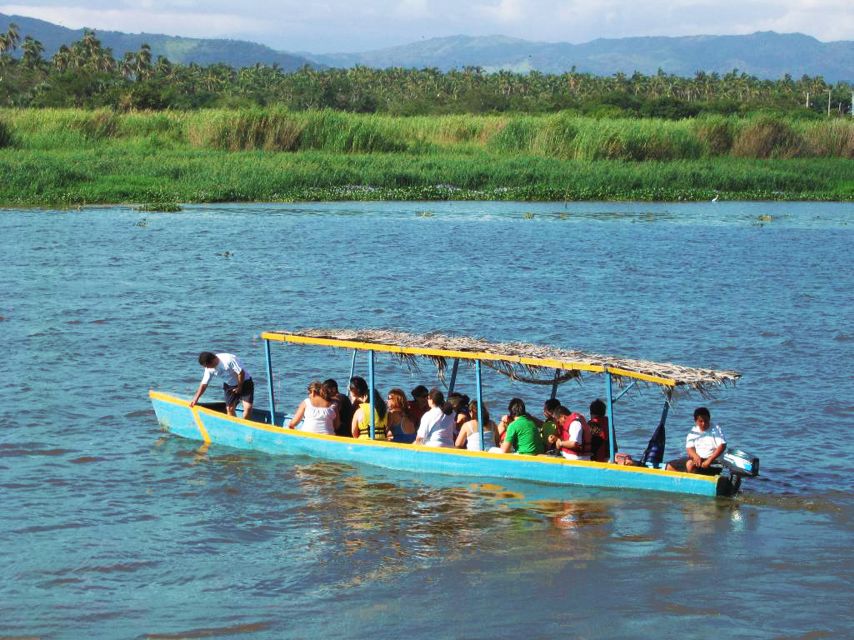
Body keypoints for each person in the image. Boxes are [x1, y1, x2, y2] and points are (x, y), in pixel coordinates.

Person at [190, 351, 253, 420]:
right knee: (229, 409)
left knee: (248, 407)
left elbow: (241, 373)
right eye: (205, 367)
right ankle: (234, 425)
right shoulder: (208, 368)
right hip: (229, 385)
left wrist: (239, 387)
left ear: (212, 361)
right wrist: (196, 398)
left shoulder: (228, 360)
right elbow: (204, 384)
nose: (207, 368)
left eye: (207, 366)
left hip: (244, 382)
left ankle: (244, 424)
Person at [666, 407, 726, 473]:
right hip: (698, 459)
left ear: (709, 419)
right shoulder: (693, 431)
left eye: (706, 421)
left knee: (690, 465)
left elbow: (722, 446)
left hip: (713, 462)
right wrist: (695, 456)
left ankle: (691, 480)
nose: (704, 423)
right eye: (701, 421)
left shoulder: (716, 429)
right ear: (696, 421)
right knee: (669, 466)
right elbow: (689, 448)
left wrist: (709, 460)